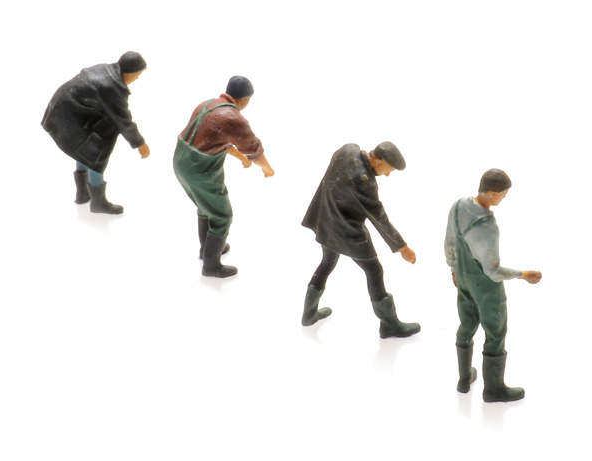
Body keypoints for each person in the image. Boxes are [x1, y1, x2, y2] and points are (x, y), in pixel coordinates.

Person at [300, 142, 419, 338]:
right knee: (374, 270)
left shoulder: (348, 149)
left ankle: (309, 314)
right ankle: (389, 325)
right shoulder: (365, 182)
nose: (387, 175)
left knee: (327, 262)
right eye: (388, 169)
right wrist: (402, 247)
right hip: (347, 232)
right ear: (380, 161)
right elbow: (379, 218)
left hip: (326, 221)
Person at [444, 169, 541, 402]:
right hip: (487, 288)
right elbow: (492, 271)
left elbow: (449, 242)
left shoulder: (458, 206)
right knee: (496, 332)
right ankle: (493, 389)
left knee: (467, 324)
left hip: (463, 278)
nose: (503, 198)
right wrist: (523, 274)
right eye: (502, 194)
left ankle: (464, 379)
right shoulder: (487, 225)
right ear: (490, 193)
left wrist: (454, 268)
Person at [173, 76, 274, 278]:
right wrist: (267, 168)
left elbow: (217, 139)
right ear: (245, 99)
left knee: (205, 206)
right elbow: (254, 150)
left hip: (181, 162)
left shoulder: (208, 104)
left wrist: (240, 158)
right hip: (201, 170)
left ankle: (207, 249)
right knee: (222, 216)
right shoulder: (233, 118)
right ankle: (211, 266)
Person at [42, 51, 150, 214]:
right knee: (95, 151)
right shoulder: (113, 88)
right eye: (138, 74)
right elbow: (124, 121)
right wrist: (140, 144)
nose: (137, 78)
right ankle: (98, 202)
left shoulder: (107, 70)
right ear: (129, 72)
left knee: (85, 150)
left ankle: (83, 194)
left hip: (64, 111)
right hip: (68, 118)